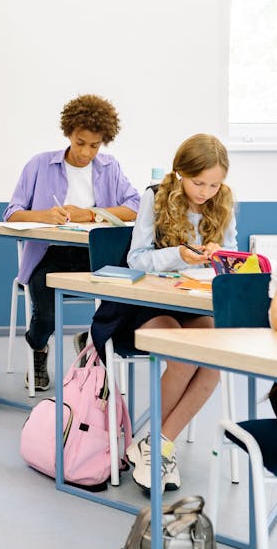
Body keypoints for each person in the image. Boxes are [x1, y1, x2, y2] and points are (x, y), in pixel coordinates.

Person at [91, 133, 236, 492]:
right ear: (180, 172)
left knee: (214, 361)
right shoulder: (155, 197)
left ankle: (156, 445)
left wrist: (221, 256)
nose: (205, 192)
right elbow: (136, 259)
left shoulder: (224, 202)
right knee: (184, 360)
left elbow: (232, 256)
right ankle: (158, 450)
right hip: (146, 303)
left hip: (191, 299)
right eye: (198, 182)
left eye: (214, 185)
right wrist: (179, 254)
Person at [3, 94, 139, 391]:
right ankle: (38, 347)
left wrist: (92, 214)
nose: (86, 152)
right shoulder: (39, 165)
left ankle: (92, 339)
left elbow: (135, 206)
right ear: (68, 133)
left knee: (123, 298)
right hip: (49, 254)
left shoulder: (109, 167)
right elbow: (12, 213)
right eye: (80, 142)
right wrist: (45, 215)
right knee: (47, 313)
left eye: (95, 145)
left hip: (95, 255)